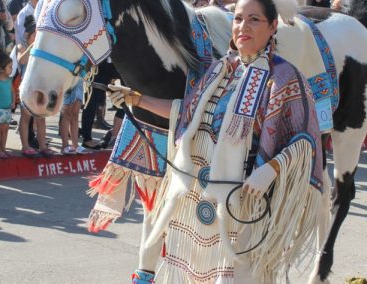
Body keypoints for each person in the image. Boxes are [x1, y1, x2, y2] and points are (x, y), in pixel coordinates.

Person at [107, 0, 323, 282]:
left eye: (254, 20)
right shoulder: (219, 70)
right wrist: (136, 99)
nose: (243, 26)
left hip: (245, 204)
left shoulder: (284, 78)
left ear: (272, 27)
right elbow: (186, 113)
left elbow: (305, 141)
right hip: (198, 198)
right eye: (237, 19)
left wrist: (270, 170)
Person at [17, 14, 53, 157]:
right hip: (27, 86)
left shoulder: (44, 49)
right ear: (29, 36)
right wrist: (32, 46)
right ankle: (25, 146)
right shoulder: (22, 45)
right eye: (35, 35)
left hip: (41, 86)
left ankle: (42, 145)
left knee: (41, 117)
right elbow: (22, 60)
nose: (38, 37)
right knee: (25, 117)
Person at [60, 79, 88, 155]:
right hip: (68, 75)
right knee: (66, 114)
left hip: (79, 77)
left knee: (75, 115)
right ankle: (64, 145)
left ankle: (75, 145)